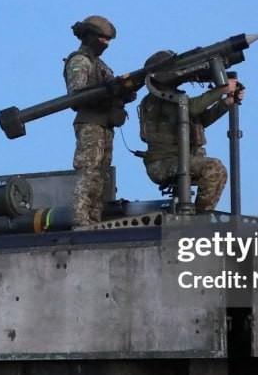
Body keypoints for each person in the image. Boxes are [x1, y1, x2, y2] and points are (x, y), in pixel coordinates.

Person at [137, 49, 242, 213]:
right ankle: (200, 219)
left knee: (214, 168)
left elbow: (201, 120)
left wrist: (226, 102)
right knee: (214, 168)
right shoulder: (157, 99)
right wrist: (221, 89)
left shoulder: (173, 97)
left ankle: (198, 217)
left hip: (183, 159)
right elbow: (193, 108)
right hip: (163, 163)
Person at [63, 15, 133, 226]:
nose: (106, 44)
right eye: (102, 39)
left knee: (101, 177)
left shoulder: (101, 65)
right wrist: (108, 91)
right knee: (89, 173)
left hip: (105, 125)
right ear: (90, 36)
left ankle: (94, 221)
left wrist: (124, 91)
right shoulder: (79, 61)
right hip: (90, 124)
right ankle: (81, 220)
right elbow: (76, 96)